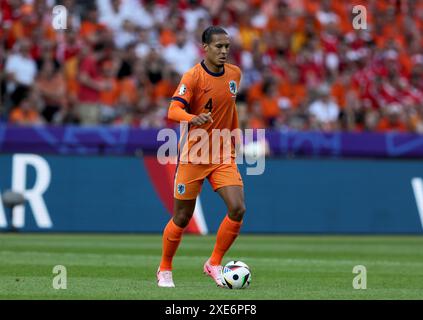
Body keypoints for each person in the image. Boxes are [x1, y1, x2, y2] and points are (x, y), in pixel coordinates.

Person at [157, 26, 245, 288]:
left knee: (238, 208)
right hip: (194, 154)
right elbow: (173, 110)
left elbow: (230, 110)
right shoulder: (193, 77)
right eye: (218, 46)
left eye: (227, 47)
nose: (224, 51)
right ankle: (164, 268)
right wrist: (192, 118)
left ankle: (214, 263)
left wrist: (236, 135)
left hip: (221, 153)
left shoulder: (235, 75)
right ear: (204, 47)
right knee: (182, 217)